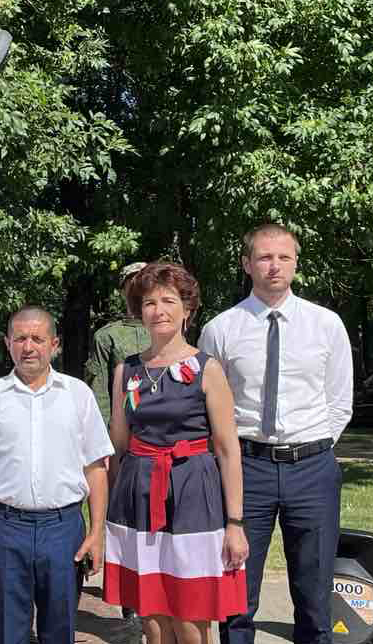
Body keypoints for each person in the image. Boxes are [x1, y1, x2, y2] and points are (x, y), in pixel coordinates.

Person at [201, 225, 352, 644]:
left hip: (312, 469)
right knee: (237, 592)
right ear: (247, 264)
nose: (274, 266)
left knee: (314, 593)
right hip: (248, 469)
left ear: (296, 264)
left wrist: (312, 447)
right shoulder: (221, 329)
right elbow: (213, 408)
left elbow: (339, 402)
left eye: (284, 257)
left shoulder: (326, 325)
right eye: (265, 257)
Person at [104, 262, 249, 644]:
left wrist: (235, 523)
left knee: (190, 615)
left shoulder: (208, 369)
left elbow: (228, 451)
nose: (159, 310)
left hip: (192, 494)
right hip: (137, 497)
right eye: (149, 302)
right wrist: (109, 517)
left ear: (187, 310)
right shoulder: (127, 372)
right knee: (152, 618)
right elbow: (118, 446)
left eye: (169, 300)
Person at [0, 306, 113, 644]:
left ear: (54, 344)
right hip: (4, 528)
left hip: (63, 530)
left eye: (38, 339)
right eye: (20, 338)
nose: (29, 347)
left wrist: (97, 532)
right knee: (11, 631)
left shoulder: (78, 396)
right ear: (7, 343)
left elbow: (96, 469)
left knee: (59, 631)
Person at [86, 261, 153, 427]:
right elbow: (99, 390)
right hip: (124, 430)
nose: (138, 288)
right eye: (132, 284)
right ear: (123, 291)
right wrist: (104, 438)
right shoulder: (107, 336)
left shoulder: (167, 331)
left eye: (144, 282)